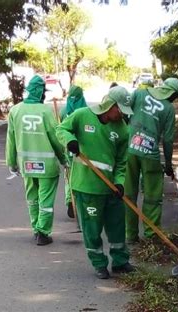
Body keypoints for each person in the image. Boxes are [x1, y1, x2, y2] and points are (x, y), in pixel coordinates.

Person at [56, 86, 136, 279]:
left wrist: (119, 182)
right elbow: (61, 129)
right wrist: (70, 141)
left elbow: (121, 161)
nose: (122, 115)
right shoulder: (82, 115)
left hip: (110, 188)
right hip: (86, 186)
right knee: (92, 229)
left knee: (117, 226)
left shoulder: (123, 130)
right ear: (110, 105)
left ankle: (120, 261)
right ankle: (99, 263)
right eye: (120, 110)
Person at [6, 75, 67, 246]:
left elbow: (10, 139)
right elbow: (56, 138)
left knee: (32, 198)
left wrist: (11, 162)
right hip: (47, 166)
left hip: (26, 164)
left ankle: (35, 229)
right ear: (40, 92)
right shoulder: (46, 111)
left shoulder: (15, 110)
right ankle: (43, 231)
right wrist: (64, 158)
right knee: (45, 200)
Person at [124, 77, 178, 242]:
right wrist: (168, 165)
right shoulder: (169, 109)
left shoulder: (139, 93)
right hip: (150, 155)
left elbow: (124, 113)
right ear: (171, 93)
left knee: (129, 194)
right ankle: (152, 234)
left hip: (130, 151)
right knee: (152, 196)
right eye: (176, 96)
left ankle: (131, 235)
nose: (175, 100)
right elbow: (168, 140)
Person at [59, 85, 88, 218]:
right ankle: (80, 202)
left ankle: (70, 200)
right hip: (83, 149)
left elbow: (59, 130)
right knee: (82, 175)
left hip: (68, 148)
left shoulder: (63, 110)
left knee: (68, 175)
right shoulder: (86, 110)